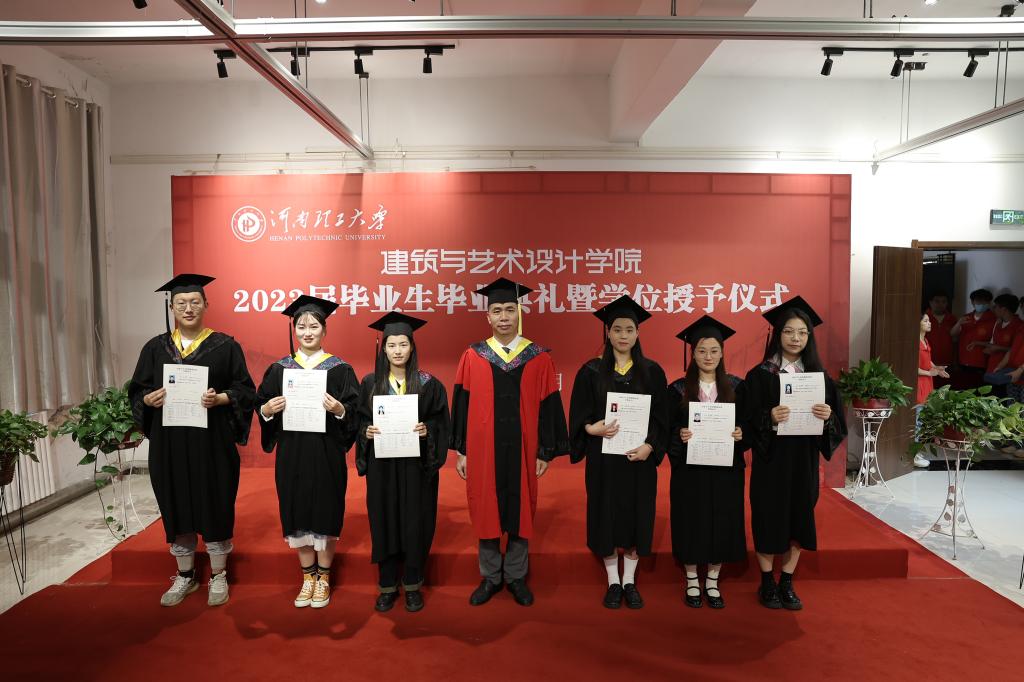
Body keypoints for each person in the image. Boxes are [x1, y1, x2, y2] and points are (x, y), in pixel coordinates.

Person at [128, 274, 255, 607]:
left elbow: (245, 390)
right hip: (169, 444)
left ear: (206, 305)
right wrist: (147, 400)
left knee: (215, 501)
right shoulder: (155, 348)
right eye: (181, 303)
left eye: (195, 302)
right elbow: (137, 391)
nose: (188, 308)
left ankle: (218, 574)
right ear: (171, 307)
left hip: (212, 442)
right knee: (176, 501)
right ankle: (185, 575)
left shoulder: (225, 346)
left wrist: (222, 398)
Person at [451, 277, 569, 607]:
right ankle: (490, 576)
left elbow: (549, 406)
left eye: (510, 310)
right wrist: (462, 449)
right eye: (497, 311)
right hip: (483, 450)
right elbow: (462, 403)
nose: (504, 317)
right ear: (487, 316)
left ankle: (516, 576)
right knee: (485, 506)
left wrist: (545, 450)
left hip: (524, 450)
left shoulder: (538, 357)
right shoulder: (473, 356)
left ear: (519, 313)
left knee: (522, 507)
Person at [256, 295, 359, 609]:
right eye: (301, 326)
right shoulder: (280, 370)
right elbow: (261, 404)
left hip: (327, 453)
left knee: (326, 509)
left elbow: (355, 411)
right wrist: (267, 410)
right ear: (294, 330)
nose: (307, 332)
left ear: (324, 330)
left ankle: (323, 577)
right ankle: (307, 577)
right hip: (293, 453)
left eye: (314, 326)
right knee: (296, 509)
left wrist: (341, 410)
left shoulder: (340, 370)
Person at [744, 296, 846, 611]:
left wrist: (828, 416)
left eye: (802, 332)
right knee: (767, 516)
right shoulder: (760, 375)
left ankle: (786, 582)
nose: (795, 338)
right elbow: (745, 420)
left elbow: (837, 425)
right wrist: (769, 417)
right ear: (778, 334)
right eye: (789, 332)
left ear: (809, 336)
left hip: (803, 460)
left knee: (799, 516)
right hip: (771, 460)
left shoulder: (819, 378)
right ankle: (766, 582)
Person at [568, 295, 668, 610]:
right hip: (603, 459)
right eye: (617, 329)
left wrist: (650, 446)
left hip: (639, 459)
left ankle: (629, 581)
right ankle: (614, 581)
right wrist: (590, 429)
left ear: (638, 333)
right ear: (607, 332)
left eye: (629, 330)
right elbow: (579, 414)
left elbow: (662, 418)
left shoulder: (652, 372)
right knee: (605, 513)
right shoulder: (590, 371)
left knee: (638, 514)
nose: (623, 335)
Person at [356, 312, 450, 613]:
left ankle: (412, 584)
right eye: (392, 345)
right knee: (384, 519)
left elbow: (441, 423)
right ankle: (387, 585)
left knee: (414, 521)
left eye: (403, 344)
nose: (397, 351)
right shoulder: (370, 383)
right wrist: (365, 432)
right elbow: (359, 422)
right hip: (382, 467)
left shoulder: (429, 384)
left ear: (412, 347)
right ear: (383, 349)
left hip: (416, 468)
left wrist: (427, 430)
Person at [667, 315, 747, 610]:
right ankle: (691, 578)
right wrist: (680, 435)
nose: (708, 356)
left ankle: (712, 579)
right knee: (690, 518)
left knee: (722, 519)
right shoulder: (678, 389)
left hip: (726, 469)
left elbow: (749, 425)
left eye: (714, 350)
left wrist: (741, 433)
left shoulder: (737, 388)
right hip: (690, 470)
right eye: (702, 351)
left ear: (722, 352)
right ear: (693, 353)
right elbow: (666, 429)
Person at [915, 312, 950, 469]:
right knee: (916, 422)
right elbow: (913, 366)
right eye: (926, 321)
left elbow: (928, 361)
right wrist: (929, 373)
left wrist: (937, 369)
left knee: (921, 421)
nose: (929, 323)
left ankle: (916, 451)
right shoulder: (914, 342)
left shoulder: (925, 340)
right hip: (919, 384)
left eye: (929, 320)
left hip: (927, 383)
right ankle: (913, 454)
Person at [950, 289, 995, 389]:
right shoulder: (966, 317)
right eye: (978, 301)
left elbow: (995, 342)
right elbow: (952, 333)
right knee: (963, 390)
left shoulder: (994, 319)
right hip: (963, 361)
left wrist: (979, 343)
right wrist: (959, 323)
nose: (981, 304)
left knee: (978, 390)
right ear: (972, 302)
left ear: (989, 303)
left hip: (982, 363)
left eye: (984, 301)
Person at [979, 294, 1021, 397]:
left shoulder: (1018, 326)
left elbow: (1016, 350)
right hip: (993, 368)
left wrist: (998, 348)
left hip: (1007, 372)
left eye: (996, 307)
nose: (994, 309)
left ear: (1004, 309)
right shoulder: (998, 324)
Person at [925, 291, 955, 388]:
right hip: (928, 361)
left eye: (943, 302)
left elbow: (956, 340)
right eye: (937, 301)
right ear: (930, 302)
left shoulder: (952, 319)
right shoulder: (923, 318)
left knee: (945, 390)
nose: (940, 304)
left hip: (947, 362)